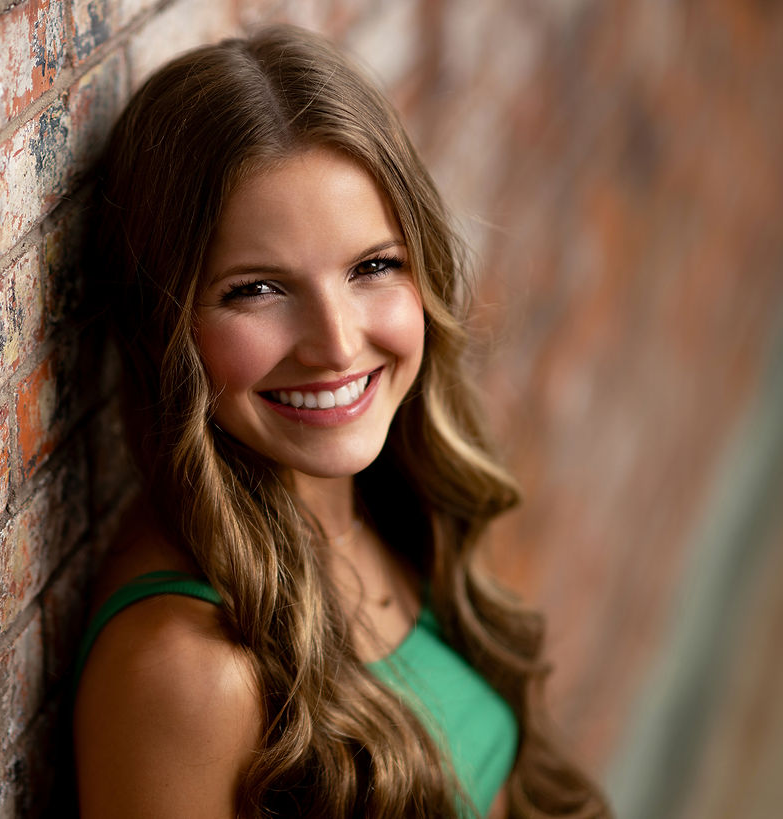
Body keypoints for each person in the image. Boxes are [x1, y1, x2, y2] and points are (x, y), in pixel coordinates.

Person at [73, 25, 608, 819]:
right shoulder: (187, 671)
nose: (336, 343)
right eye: (256, 289)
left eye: (372, 267)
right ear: (165, 323)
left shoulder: (387, 504)